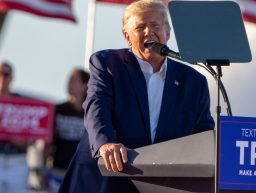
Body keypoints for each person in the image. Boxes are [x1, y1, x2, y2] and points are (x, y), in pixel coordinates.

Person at [58, 0, 214, 192]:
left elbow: (203, 135)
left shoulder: (194, 81)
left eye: (155, 25)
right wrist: (105, 144)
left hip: (163, 184)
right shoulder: (106, 63)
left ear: (168, 33)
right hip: (107, 178)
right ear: (127, 36)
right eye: (140, 27)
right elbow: (96, 108)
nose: (149, 32)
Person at [45, 68, 89, 193]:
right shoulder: (57, 109)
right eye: (69, 79)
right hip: (57, 170)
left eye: (73, 79)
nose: (68, 82)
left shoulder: (92, 113)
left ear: (85, 85)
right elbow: (49, 142)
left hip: (81, 172)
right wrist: (43, 169)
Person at [0, 60, 30, 193]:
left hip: (17, 161)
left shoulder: (23, 103)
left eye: (5, 74)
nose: (2, 77)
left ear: (12, 78)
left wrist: (22, 141)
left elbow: (32, 134)